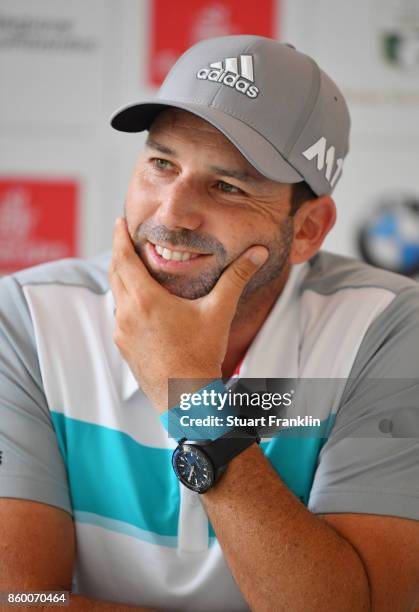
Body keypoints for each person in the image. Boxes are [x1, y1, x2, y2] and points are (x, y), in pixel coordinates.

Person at [0, 34, 418, 612]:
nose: (170, 213)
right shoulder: (25, 319)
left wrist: (191, 394)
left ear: (307, 231)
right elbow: (21, 599)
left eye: (228, 186)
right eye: (160, 164)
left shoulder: (388, 330)